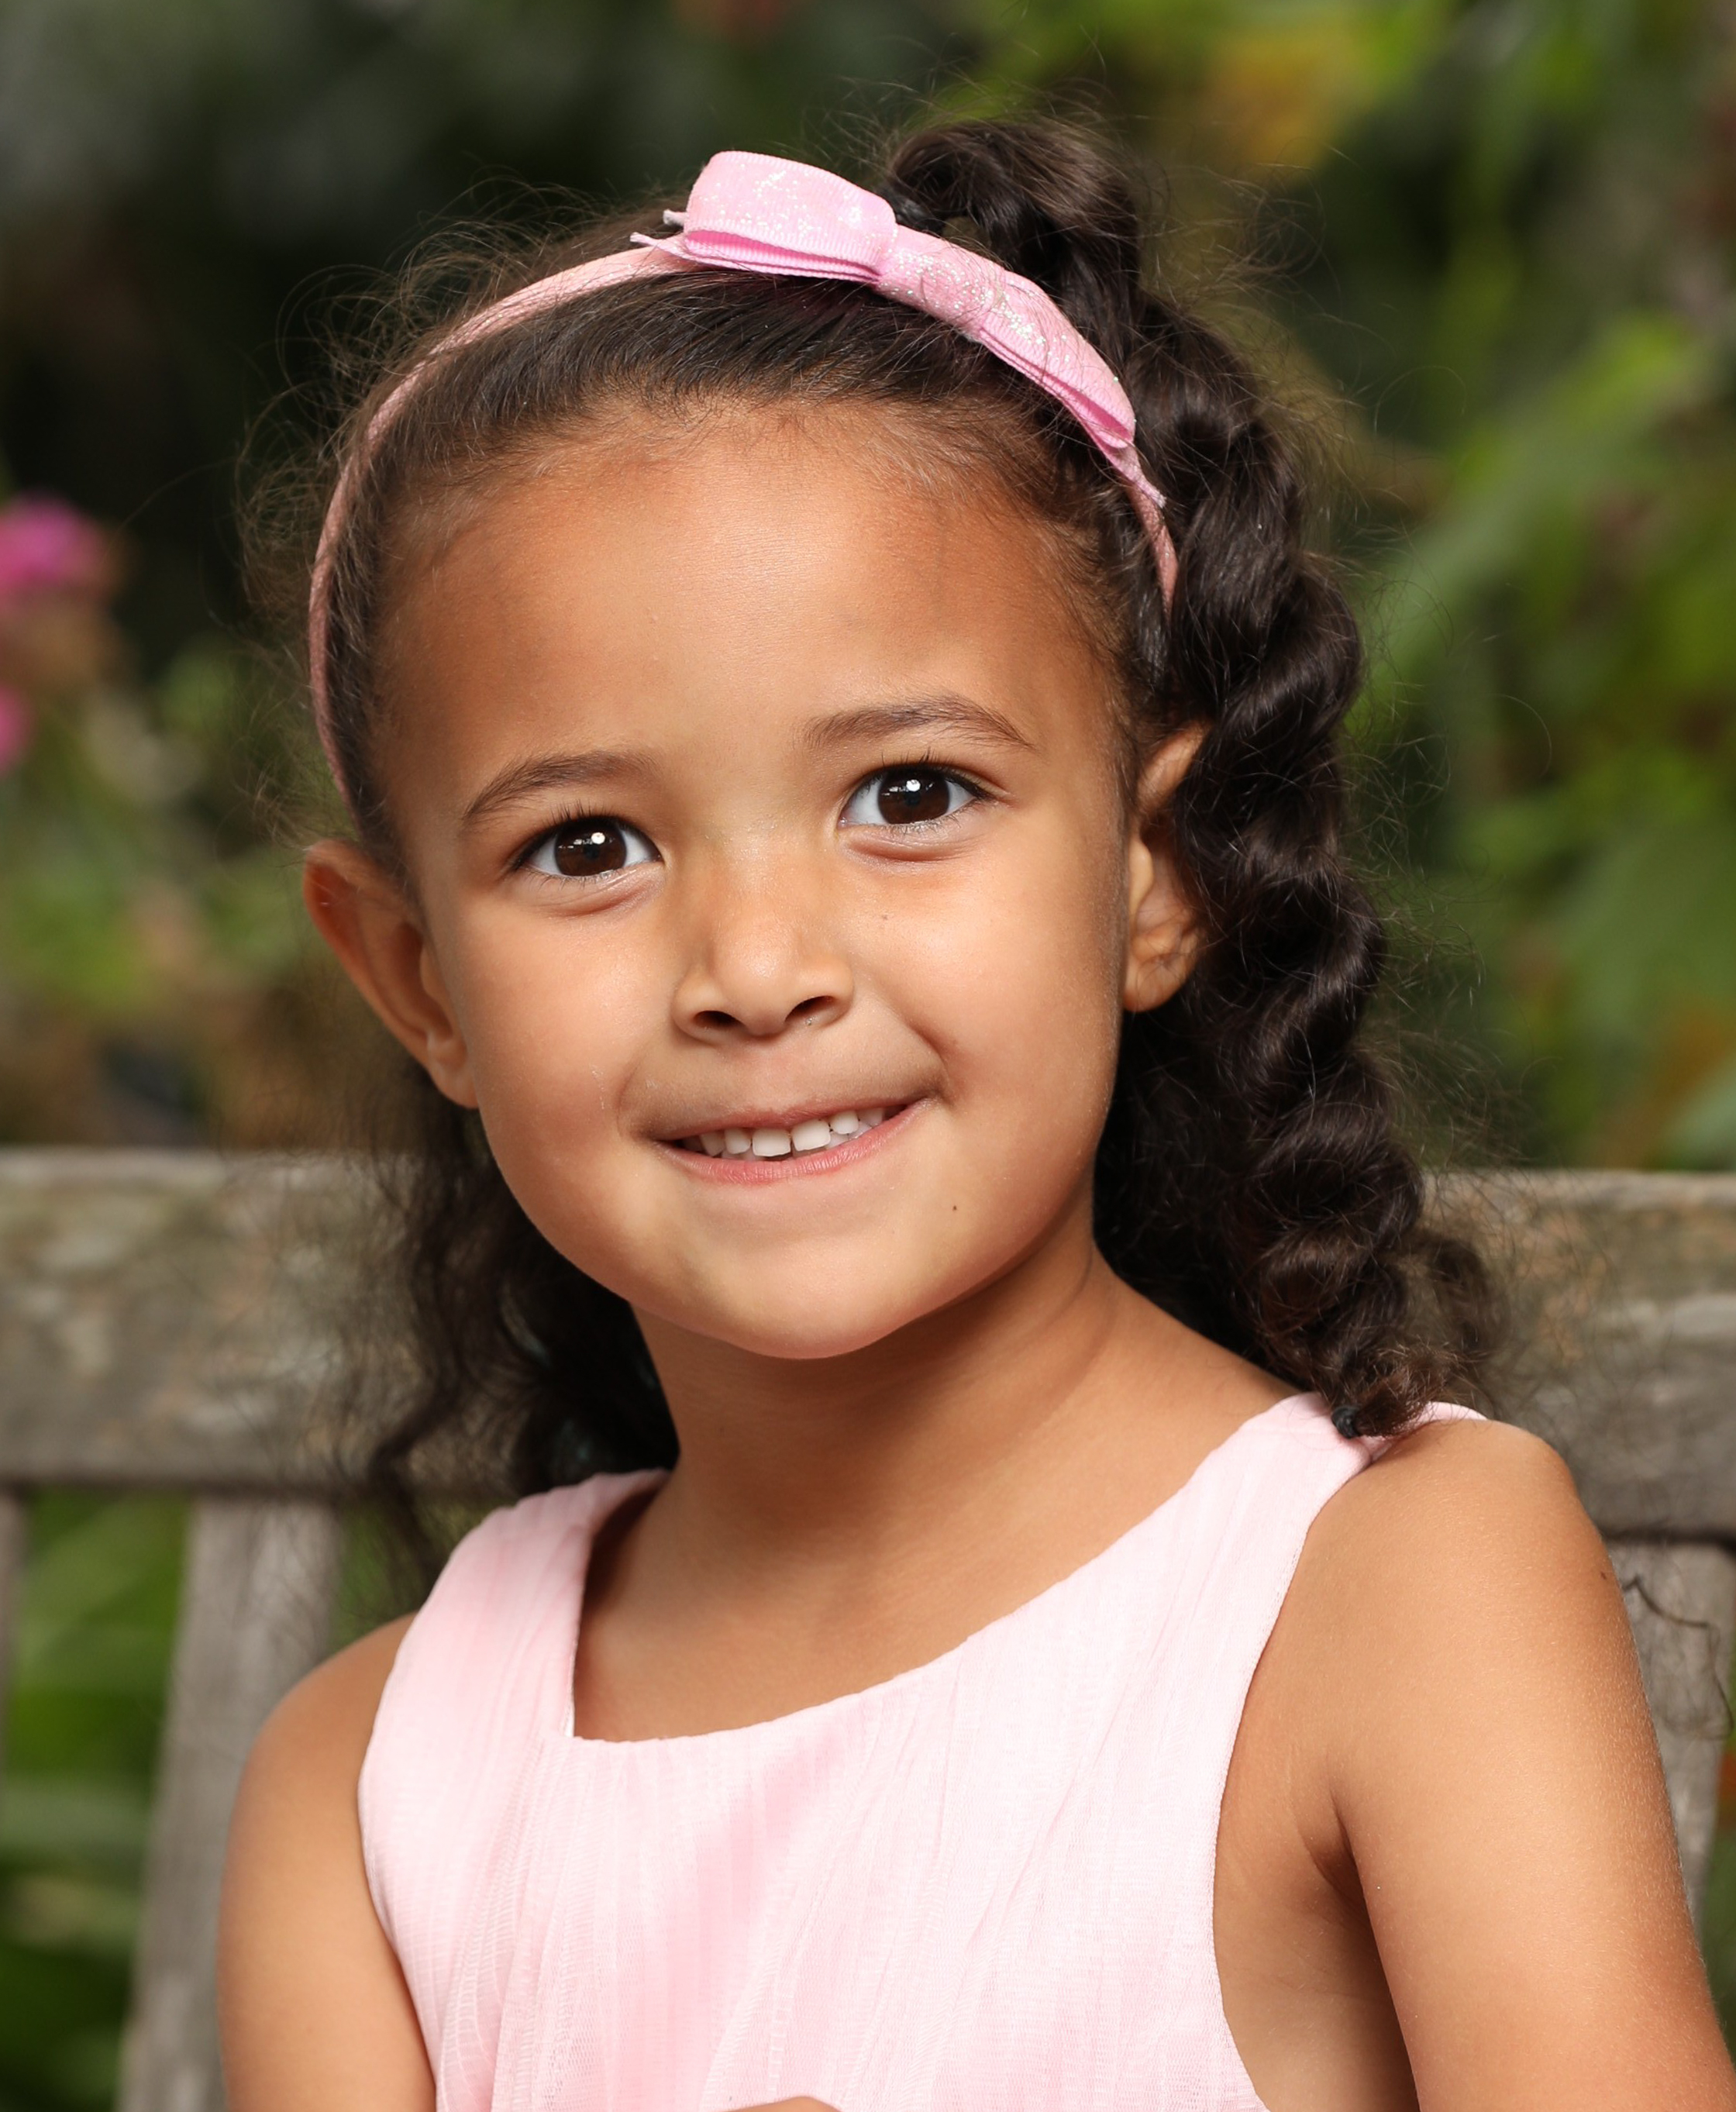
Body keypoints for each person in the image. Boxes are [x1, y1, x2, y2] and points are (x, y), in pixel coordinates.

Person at [216, 119, 1736, 2111]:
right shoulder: (371, 1788)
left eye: (909, 795)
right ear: (418, 980)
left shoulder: (1384, 1588)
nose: (756, 964)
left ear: (1154, 874)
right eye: (587, 844)